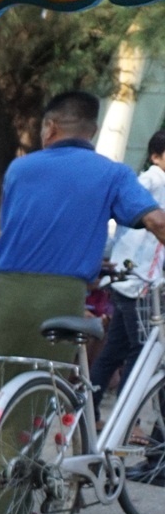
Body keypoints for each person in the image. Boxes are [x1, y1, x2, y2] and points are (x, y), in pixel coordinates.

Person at [0, 91, 165, 514]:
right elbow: (155, 220)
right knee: (39, 397)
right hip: (61, 296)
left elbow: (14, 227)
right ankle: (10, 508)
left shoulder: (20, 168)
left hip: (7, 291)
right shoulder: (110, 173)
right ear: (90, 131)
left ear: (50, 128)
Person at [93, 130, 165, 398]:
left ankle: (90, 410)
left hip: (130, 277)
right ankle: (126, 420)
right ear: (155, 157)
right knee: (142, 350)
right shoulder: (153, 180)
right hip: (139, 281)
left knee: (114, 350)